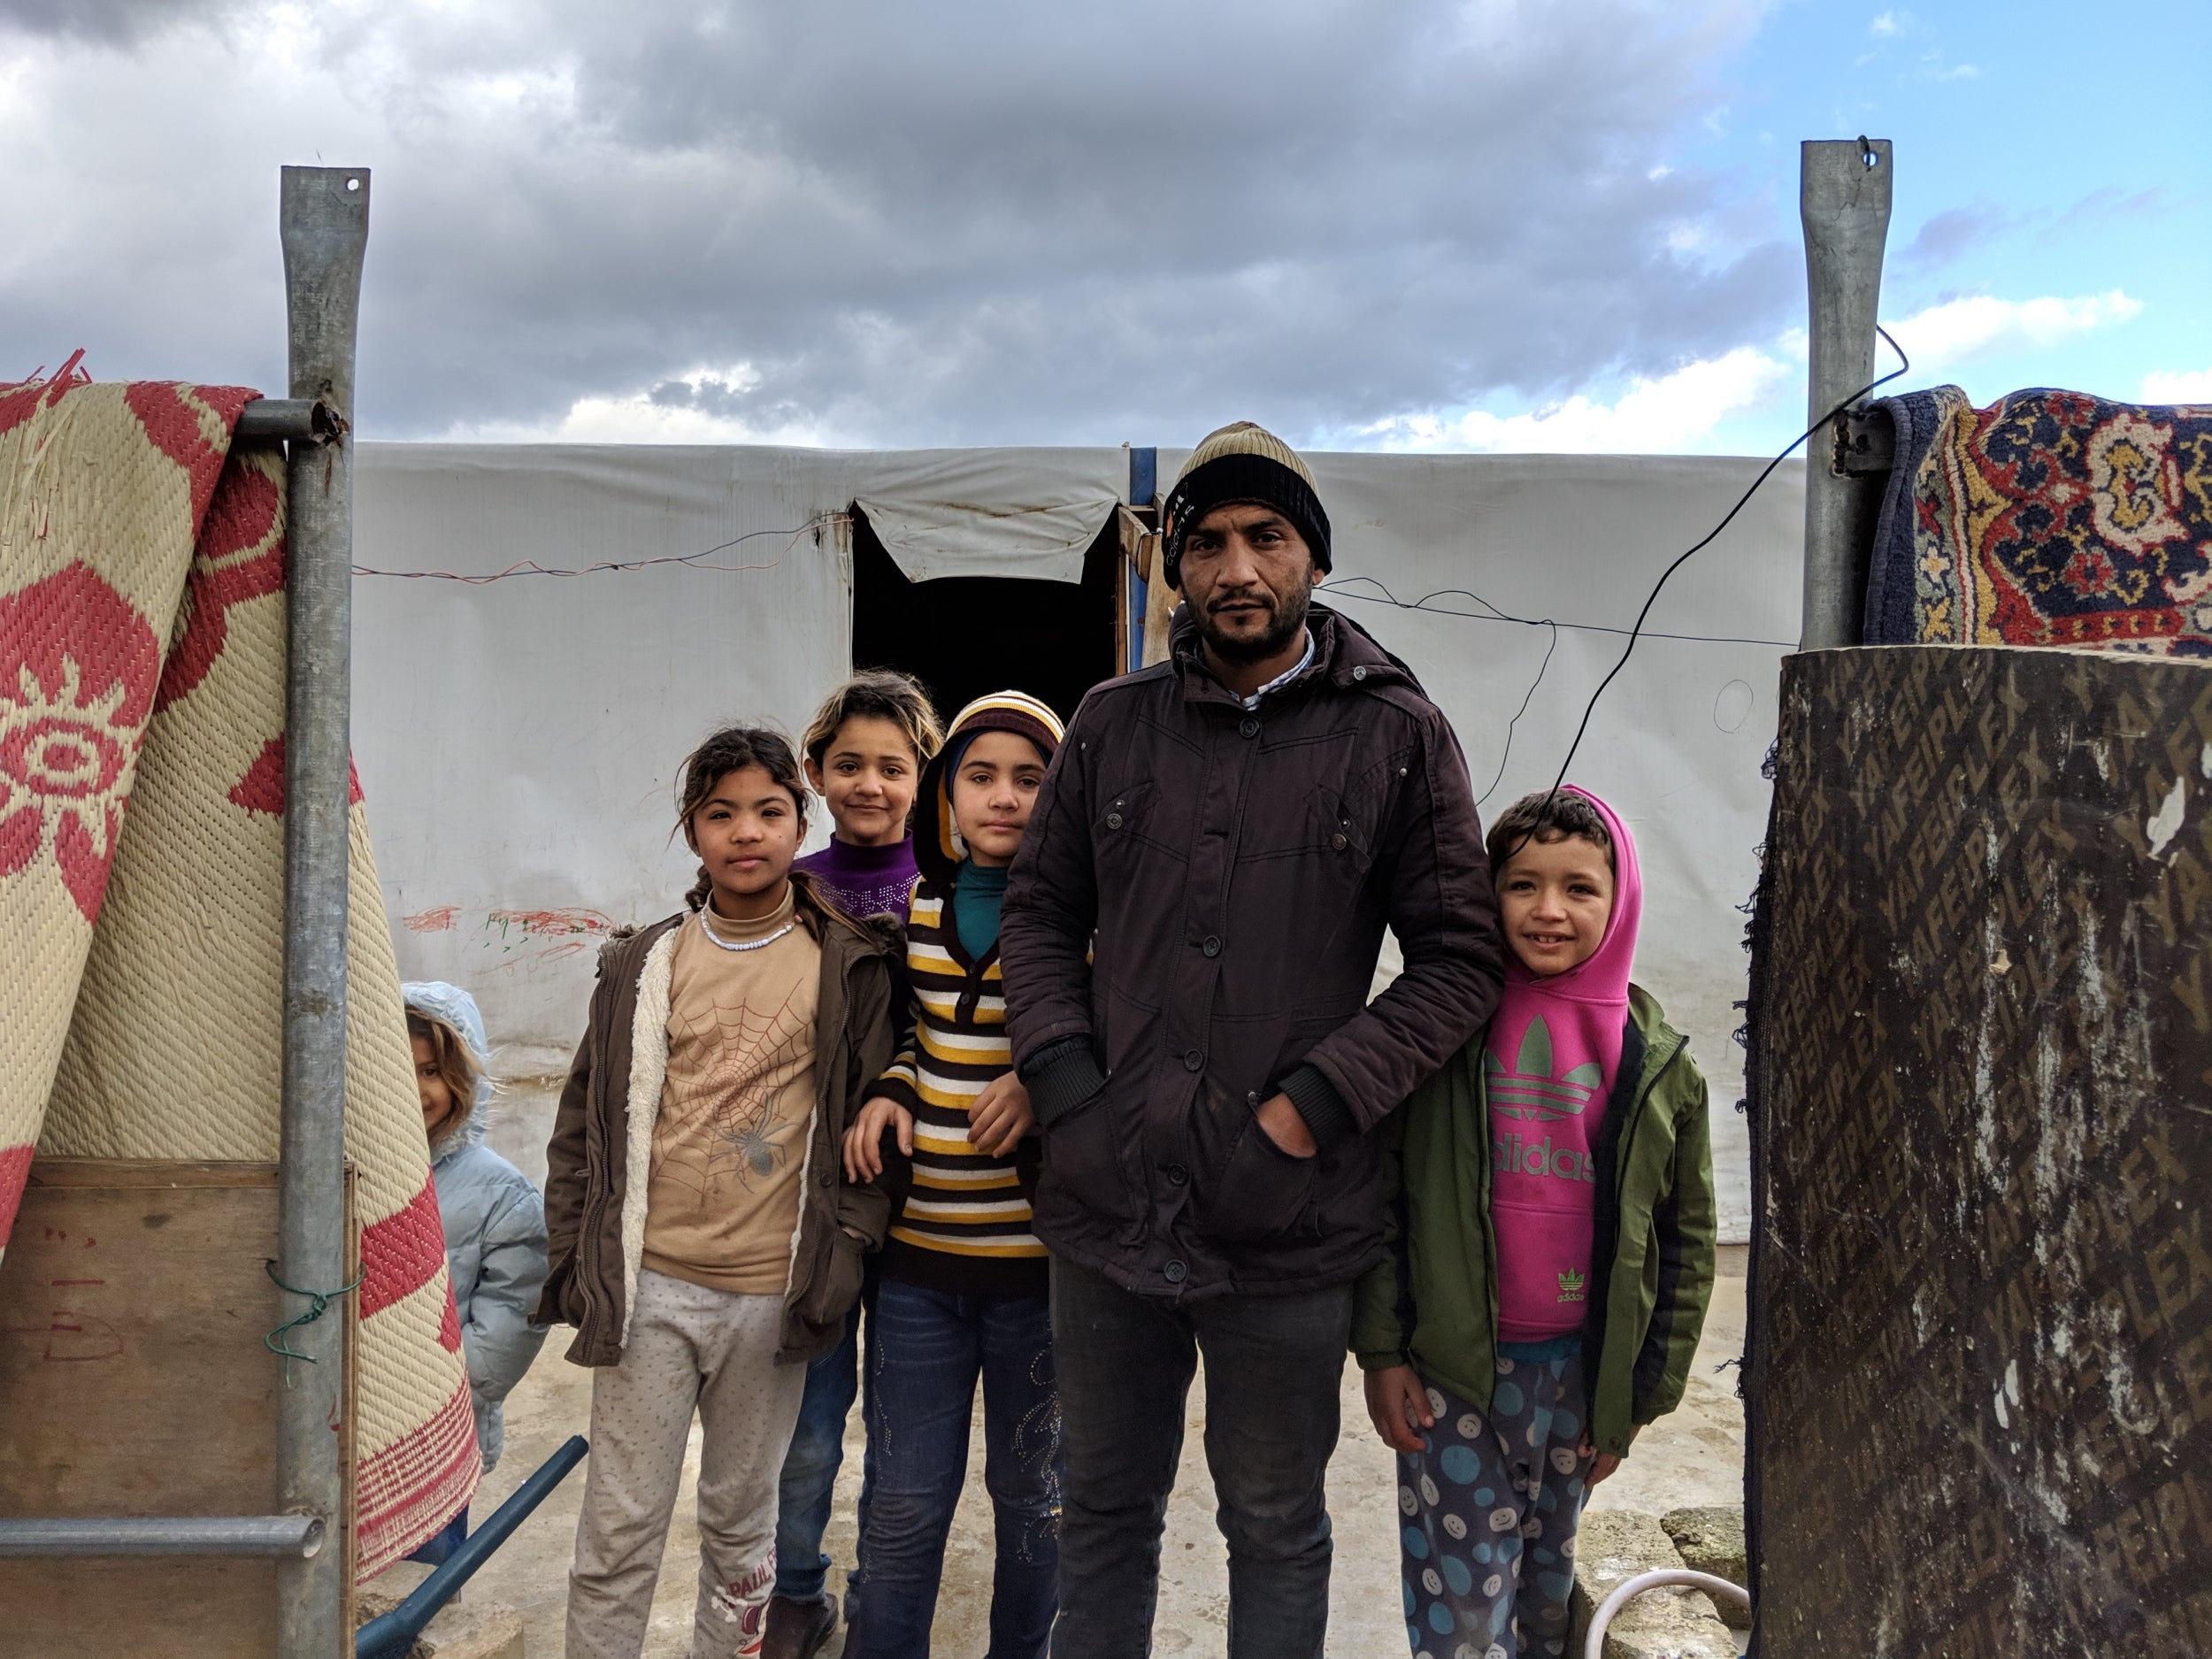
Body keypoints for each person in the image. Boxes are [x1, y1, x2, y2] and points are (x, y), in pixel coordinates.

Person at [999, 421, 1504, 1659]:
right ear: (1174, 569)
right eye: (1208, 542)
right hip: (1107, 1207)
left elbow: (1459, 956)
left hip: (1288, 1217)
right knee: (1105, 1509)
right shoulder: (1113, 726)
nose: (1237, 567)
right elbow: (1042, 912)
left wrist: (1315, 1104)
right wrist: (1067, 1084)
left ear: (1314, 561)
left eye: (1266, 538)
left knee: (1274, 1519)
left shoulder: (1396, 732)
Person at [539, 726, 902, 1659]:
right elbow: (582, 1123)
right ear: (692, 832)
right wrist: (576, 1258)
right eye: (720, 814)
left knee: (744, 1533)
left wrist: (845, 1253)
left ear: (800, 820)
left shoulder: (848, 962)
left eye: (769, 812)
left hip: (769, 1298)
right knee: (618, 1532)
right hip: (650, 1291)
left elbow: (870, 1114)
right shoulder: (643, 965)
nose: (747, 833)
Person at [1352, 787, 1717, 1659]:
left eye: (1578, 888)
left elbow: (1687, 1246)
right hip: (1452, 1377)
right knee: (1463, 1606)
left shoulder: (1658, 1064)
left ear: (1619, 898)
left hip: (1579, 1382)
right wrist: (1383, 1351)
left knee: (1546, 1592)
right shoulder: (1438, 1031)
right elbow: (1378, 1195)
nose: (1548, 910)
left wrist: (1636, 1396)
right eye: (1521, 884)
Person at [840, 691, 1069, 1659]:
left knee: (1032, 1500)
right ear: (946, 795)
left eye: (1031, 778)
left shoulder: (1085, 915)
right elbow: (918, 1033)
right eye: (981, 777)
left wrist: (1040, 1076)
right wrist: (892, 1090)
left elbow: (1131, 1042)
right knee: (900, 1501)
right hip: (918, 1264)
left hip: (1038, 1269)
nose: (1005, 798)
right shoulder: (922, 904)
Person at [769, 671, 945, 1659]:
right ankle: (796, 1591)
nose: (869, 783)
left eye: (892, 765)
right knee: (808, 1425)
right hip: (815, 1195)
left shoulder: (956, 887)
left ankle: (890, 1594)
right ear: (816, 774)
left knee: (908, 1427)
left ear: (924, 777)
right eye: (848, 765)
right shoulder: (789, 888)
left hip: (930, 1200)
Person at [401, 981, 550, 1565]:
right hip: (346, 1427)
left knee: (423, 1584)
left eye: (431, 1069)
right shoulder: (344, 1173)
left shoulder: (501, 1193)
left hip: (439, 1436)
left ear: (462, 1078)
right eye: (399, 1067)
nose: (414, 1089)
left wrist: (439, 1390)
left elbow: (514, 1316)